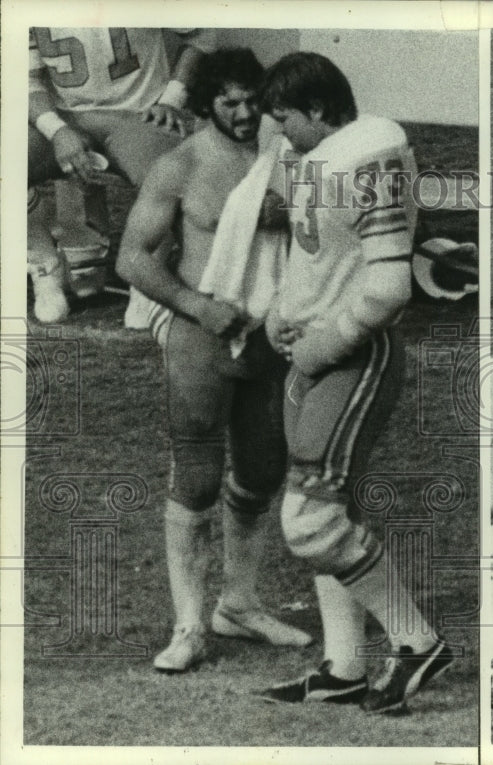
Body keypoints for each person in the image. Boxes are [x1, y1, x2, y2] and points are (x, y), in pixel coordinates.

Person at [255, 52, 453, 714]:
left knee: (309, 523)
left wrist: (325, 342)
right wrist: (282, 312)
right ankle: (343, 666)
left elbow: (389, 285)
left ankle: (417, 641)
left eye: (288, 121)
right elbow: (312, 251)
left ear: (317, 109)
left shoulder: (372, 154)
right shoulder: (318, 153)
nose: (283, 136)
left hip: (351, 356)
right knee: (331, 515)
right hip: (309, 352)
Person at [116, 48, 312, 673]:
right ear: (205, 105)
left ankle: (240, 603)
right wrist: (196, 306)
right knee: (197, 475)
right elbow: (134, 259)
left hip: (270, 334)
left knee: (261, 468)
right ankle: (189, 626)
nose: (244, 111)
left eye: (253, 99)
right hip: (202, 333)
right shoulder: (181, 165)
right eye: (228, 101)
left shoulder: (291, 160)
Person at [28, 27, 212, 325]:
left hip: (138, 114)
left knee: (169, 176)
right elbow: (25, 77)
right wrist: (56, 129)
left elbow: (202, 33)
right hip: (66, 116)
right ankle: (43, 263)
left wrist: (172, 98)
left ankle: (147, 276)